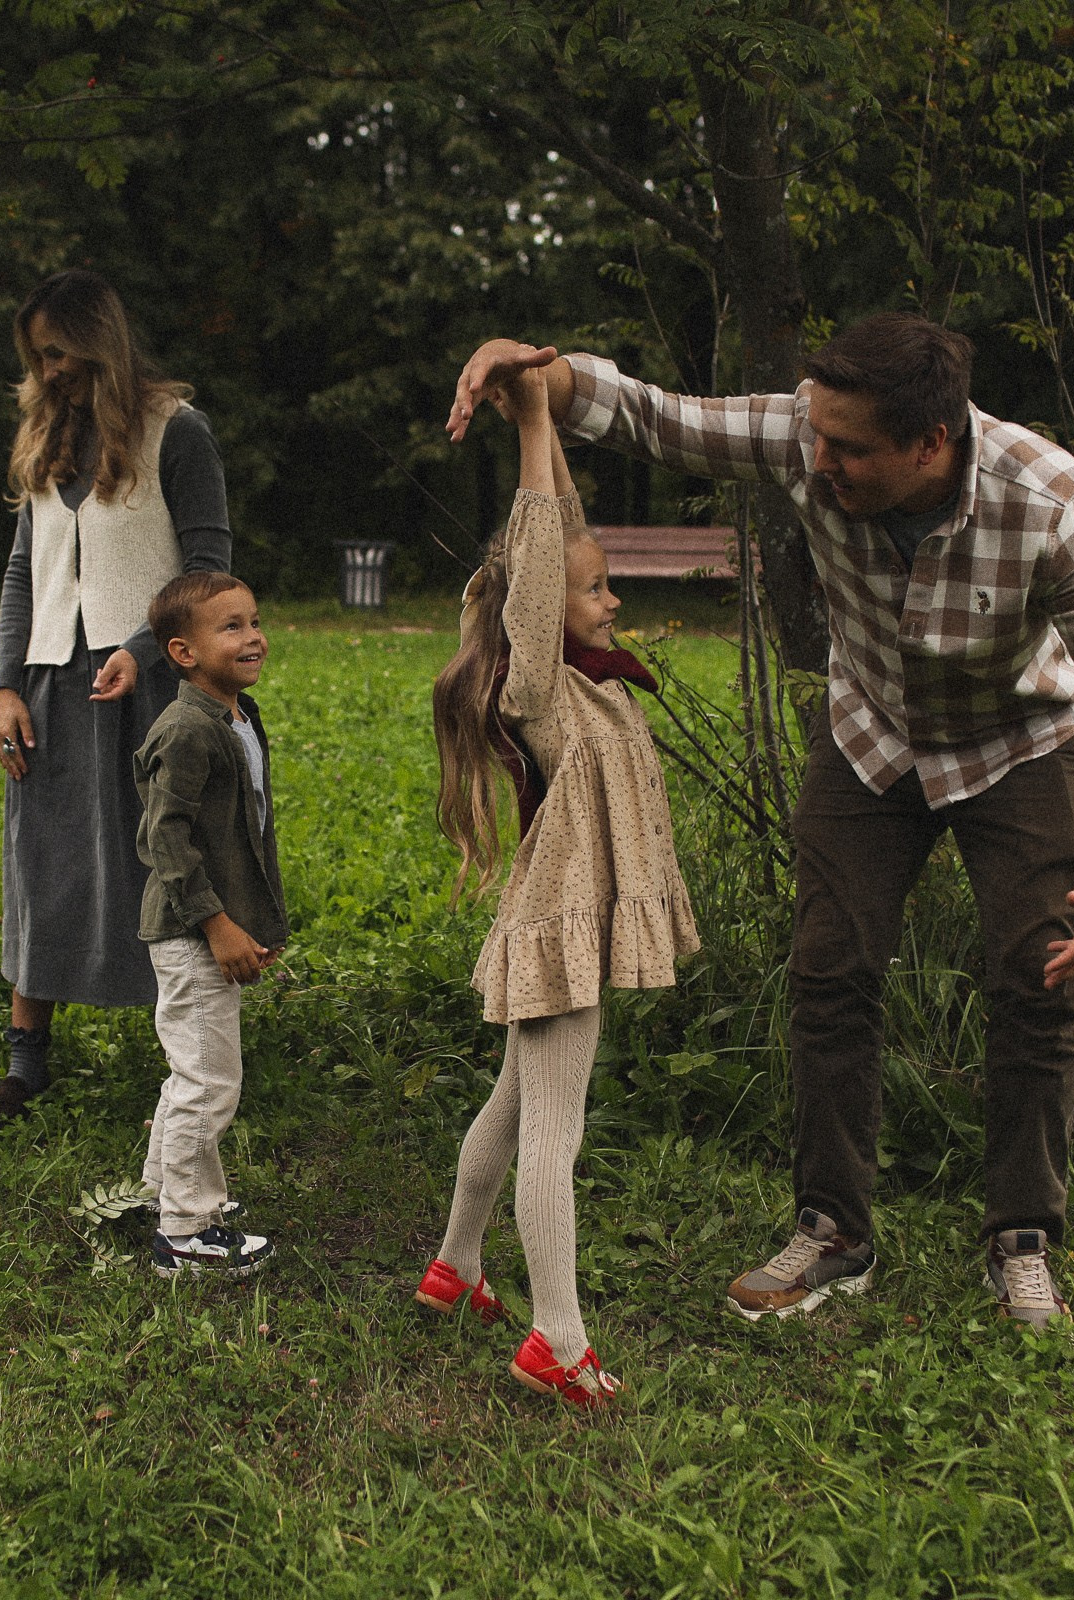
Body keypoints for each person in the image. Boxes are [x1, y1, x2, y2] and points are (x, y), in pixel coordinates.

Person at [446, 313, 1074, 1329]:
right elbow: (662, 420)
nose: (818, 459)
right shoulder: (808, 433)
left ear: (930, 443)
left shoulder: (1052, 502)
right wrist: (538, 371)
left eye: (848, 449)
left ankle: (1022, 1239)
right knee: (831, 967)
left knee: (1039, 972)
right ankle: (833, 1230)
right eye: (817, 436)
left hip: (1019, 739)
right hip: (873, 733)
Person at [413, 364, 700, 1408]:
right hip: (558, 926)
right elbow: (542, 555)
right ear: (542, 610)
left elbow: (559, 535)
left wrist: (540, 419)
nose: (611, 596)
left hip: (564, 920)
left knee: (512, 1096)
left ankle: (456, 1264)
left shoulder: (579, 675)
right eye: (596, 589)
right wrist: (532, 435)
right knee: (554, 1130)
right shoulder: (534, 684)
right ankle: (558, 1335)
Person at [0, 270, 233, 1118]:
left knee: (160, 861)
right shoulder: (44, 442)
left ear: (98, 342)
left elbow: (207, 567)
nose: (47, 370)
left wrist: (138, 648)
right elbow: (25, 572)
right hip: (53, 687)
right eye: (37, 356)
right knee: (42, 865)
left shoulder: (179, 432)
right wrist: (5, 685)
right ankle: (26, 1061)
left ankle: (192, 1053)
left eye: (57, 351)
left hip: (153, 686)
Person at [131, 571, 287, 1276]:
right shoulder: (188, 730)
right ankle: (186, 1233)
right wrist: (219, 927)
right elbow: (164, 840)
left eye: (253, 621)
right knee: (208, 1081)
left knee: (190, 1071)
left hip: (215, 924)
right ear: (183, 652)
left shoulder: (238, 716)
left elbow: (245, 835)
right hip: (191, 930)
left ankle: (164, 1192)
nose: (252, 636)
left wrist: (252, 923)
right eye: (230, 626)